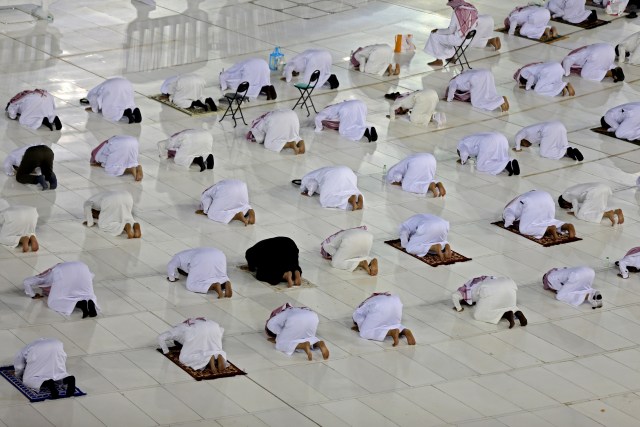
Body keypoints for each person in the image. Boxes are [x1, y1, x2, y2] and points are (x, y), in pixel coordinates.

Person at [24, 261, 99, 318]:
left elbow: (26, 282)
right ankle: (89, 301)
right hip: (82, 266)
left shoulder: (45, 276)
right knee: (82, 293)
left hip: (64, 271)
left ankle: (82, 305)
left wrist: (33, 295)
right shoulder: (57, 269)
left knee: (56, 302)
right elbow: (90, 275)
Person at [452, 276, 527, 328]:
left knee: (479, 315)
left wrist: (459, 308)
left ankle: (506, 314)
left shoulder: (464, 289)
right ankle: (517, 312)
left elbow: (454, 296)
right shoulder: (481, 279)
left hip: (491, 289)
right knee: (508, 305)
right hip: (509, 285)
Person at [158, 318, 227, 373]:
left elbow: (161, 337)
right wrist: (214, 342)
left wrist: (166, 352)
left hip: (195, 333)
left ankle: (209, 356)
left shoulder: (177, 330)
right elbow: (221, 330)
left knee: (184, 359)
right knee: (208, 343)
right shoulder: (192, 322)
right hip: (212, 326)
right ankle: (217, 353)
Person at [502, 190, 576, 240]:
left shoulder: (507, 210)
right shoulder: (518, 199)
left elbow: (509, 219)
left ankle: (549, 229)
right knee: (546, 220)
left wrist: (508, 224)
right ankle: (566, 226)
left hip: (531, 201)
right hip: (547, 197)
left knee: (524, 229)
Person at [424, 1, 480, 66]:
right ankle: (451, 56)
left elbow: (450, 30)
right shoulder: (472, 9)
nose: (451, 7)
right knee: (447, 37)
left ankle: (439, 60)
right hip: (468, 39)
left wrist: (437, 30)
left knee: (434, 35)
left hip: (459, 40)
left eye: (451, 5)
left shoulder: (457, 12)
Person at [265, 303, 329, 360]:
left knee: (280, 345)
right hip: (313, 316)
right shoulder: (295, 309)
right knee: (307, 337)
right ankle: (318, 343)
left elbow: (270, 324)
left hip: (295, 319)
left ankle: (303, 345)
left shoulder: (281, 314)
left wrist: (278, 337)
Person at [167, 247, 233, 298]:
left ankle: (214, 286)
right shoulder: (188, 253)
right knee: (219, 276)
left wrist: (171, 278)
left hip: (200, 258)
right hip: (219, 254)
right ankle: (226, 282)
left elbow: (170, 265)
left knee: (191, 285)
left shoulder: (177, 256)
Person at [558, 183, 623, 225]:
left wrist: (575, 212)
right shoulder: (570, 190)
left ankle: (607, 214)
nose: (570, 208)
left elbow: (574, 202)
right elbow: (582, 204)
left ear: (564, 202)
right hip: (604, 187)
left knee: (581, 215)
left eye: (567, 207)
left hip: (594, 191)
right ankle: (615, 211)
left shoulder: (565, 195)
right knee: (598, 208)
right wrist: (576, 210)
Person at [514, 121, 583, 160]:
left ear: (522, 140)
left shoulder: (524, 131)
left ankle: (566, 151)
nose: (525, 145)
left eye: (522, 143)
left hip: (549, 129)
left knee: (543, 153)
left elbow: (518, 136)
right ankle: (571, 151)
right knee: (560, 145)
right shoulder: (533, 137)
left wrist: (517, 148)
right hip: (559, 125)